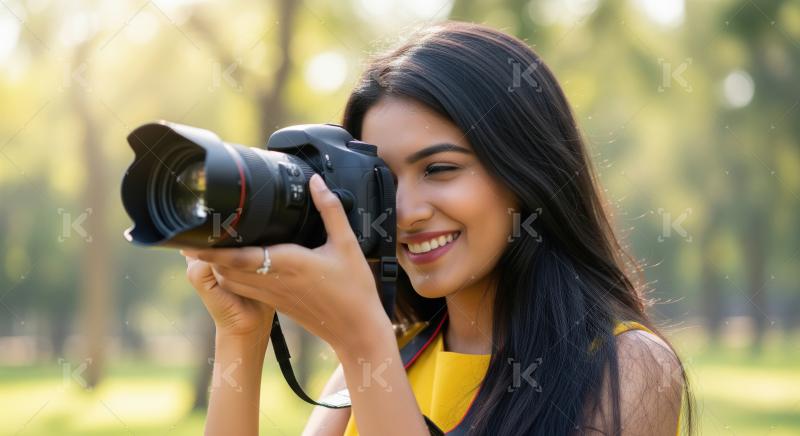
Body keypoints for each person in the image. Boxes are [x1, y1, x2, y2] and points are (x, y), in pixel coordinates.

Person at [181, 21, 693, 436]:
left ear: (527, 174)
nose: (404, 212)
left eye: (440, 169)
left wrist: (362, 342)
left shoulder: (627, 367)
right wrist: (242, 334)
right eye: (382, 181)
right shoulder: (389, 355)